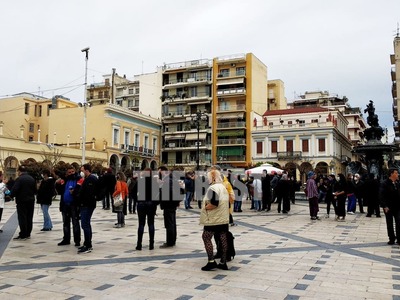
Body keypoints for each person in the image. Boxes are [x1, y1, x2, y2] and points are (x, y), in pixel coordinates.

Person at [200, 169, 230, 271]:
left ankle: (211, 261)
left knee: (206, 237)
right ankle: (223, 262)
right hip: (223, 218)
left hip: (213, 219)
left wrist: (205, 207)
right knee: (223, 238)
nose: (207, 179)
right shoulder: (223, 187)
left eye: (208, 177)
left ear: (213, 178)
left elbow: (214, 203)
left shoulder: (213, 188)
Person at [56, 165, 82, 247]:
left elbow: (79, 191)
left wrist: (74, 193)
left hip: (74, 205)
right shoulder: (65, 180)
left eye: (72, 172)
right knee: (65, 223)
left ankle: (77, 240)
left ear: (75, 171)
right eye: (69, 172)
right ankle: (66, 239)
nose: (71, 173)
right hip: (65, 204)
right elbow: (60, 191)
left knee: (75, 223)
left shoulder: (79, 179)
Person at [10, 165, 37, 240]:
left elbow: (15, 189)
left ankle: (23, 234)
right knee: (29, 217)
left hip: (22, 201)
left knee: (22, 217)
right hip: (31, 200)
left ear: (19, 171)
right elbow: (35, 190)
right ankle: (28, 233)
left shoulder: (19, 179)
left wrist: (11, 196)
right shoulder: (32, 178)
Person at [77, 163, 98, 254]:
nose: (81, 172)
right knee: (86, 224)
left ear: (86, 170)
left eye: (82, 170)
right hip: (86, 204)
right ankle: (87, 243)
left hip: (87, 204)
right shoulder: (88, 179)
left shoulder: (91, 179)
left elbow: (88, 193)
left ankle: (88, 245)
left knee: (85, 224)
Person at [136, 168, 158, 250]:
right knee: (151, 224)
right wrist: (155, 203)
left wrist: (137, 200)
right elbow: (157, 194)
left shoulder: (140, 181)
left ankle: (139, 244)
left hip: (141, 204)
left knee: (141, 224)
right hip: (151, 204)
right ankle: (151, 244)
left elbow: (133, 192)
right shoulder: (154, 182)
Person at [158, 166, 180, 248]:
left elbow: (169, 192)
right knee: (172, 222)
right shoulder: (172, 179)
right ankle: (172, 240)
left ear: (163, 171)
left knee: (169, 223)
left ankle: (170, 242)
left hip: (168, 204)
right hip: (172, 204)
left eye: (159, 172)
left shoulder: (167, 180)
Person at [379, 168, 400, 245]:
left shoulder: (397, 183)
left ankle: (399, 238)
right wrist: (384, 206)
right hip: (388, 207)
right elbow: (381, 196)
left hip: (397, 207)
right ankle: (391, 238)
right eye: (396, 173)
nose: (397, 174)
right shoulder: (384, 183)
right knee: (390, 223)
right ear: (391, 174)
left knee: (398, 222)